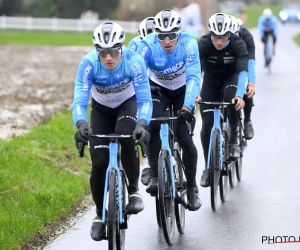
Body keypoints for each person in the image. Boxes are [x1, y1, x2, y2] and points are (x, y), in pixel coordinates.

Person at [72, 21, 153, 241]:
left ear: (121, 48)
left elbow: (145, 98)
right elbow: (79, 99)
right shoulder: (88, 63)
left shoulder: (133, 62)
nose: (109, 58)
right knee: (98, 162)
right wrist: (80, 124)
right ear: (97, 51)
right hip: (101, 110)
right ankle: (99, 214)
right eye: (103, 52)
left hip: (127, 105)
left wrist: (142, 123)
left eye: (114, 51)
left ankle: (134, 190)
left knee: (126, 133)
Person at [137, 9, 202, 211]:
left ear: (178, 34)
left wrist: (188, 105)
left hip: (183, 90)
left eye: (171, 36)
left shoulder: (189, 44)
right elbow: (137, 76)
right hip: (158, 89)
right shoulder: (147, 45)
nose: (167, 41)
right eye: (162, 36)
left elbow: (193, 77)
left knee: (184, 138)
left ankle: (191, 186)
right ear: (156, 35)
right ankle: (156, 175)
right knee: (153, 124)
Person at [197, 13, 248, 187]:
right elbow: (196, 73)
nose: (219, 41)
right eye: (215, 37)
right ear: (210, 34)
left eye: (223, 37)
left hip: (231, 79)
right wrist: (195, 93)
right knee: (206, 124)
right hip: (210, 82)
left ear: (229, 34)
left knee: (231, 99)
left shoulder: (238, 43)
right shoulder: (203, 44)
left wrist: (240, 95)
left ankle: (233, 140)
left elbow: (243, 72)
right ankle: (207, 167)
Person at [229, 15, 255, 139]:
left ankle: (247, 119)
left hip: (241, 67)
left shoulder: (246, 37)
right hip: (224, 69)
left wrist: (252, 83)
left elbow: (250, 62)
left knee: (246, 88)